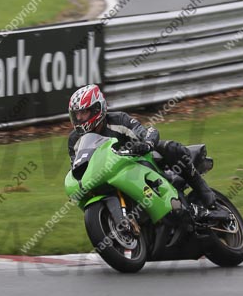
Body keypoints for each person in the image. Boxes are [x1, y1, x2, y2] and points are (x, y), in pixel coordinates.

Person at [67, 84, 217, 213]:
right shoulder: (74, 140)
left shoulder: (118, 120)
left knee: (169, 147)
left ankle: (203, 190)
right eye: (76, 114)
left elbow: (148, 132)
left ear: (96, 109)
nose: (79, 118)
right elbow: (77, 167)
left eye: (83, 112)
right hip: (108, 176)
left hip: (138, 164)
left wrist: (146, 144)